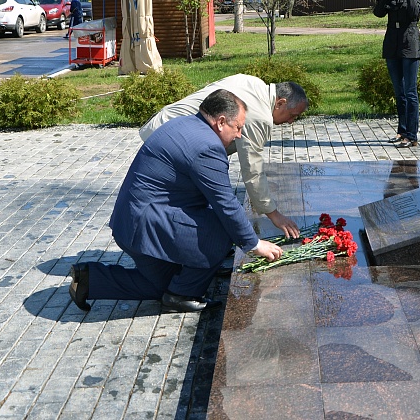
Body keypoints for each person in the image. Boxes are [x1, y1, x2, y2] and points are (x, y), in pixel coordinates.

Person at [68, 89, 284, 313]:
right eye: (238, 127)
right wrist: (254, 244)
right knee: (219, 231)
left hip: (131, 225)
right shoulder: (207, 146)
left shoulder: (184, 124)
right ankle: (183, 294)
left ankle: (89, 279)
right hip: (148, 225)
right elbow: (226, 204)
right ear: (221, 122)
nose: (239, 135)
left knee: (159, 287)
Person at [139, 74, 308, 238]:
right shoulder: (260, 116)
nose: (291, 121)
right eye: (292, 115)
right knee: (180, 201)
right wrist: (274, 215)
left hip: (165, 125)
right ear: (280, 103)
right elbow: (252, 171)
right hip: (170, 139)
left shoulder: (254, 83)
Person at [373, 0, 420, 149]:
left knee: (410, 92)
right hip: (392, 46)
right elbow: (378, 13)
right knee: (399, 92)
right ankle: (402, 131)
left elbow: (415, 13)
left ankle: (412, 135)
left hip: (410, 46)